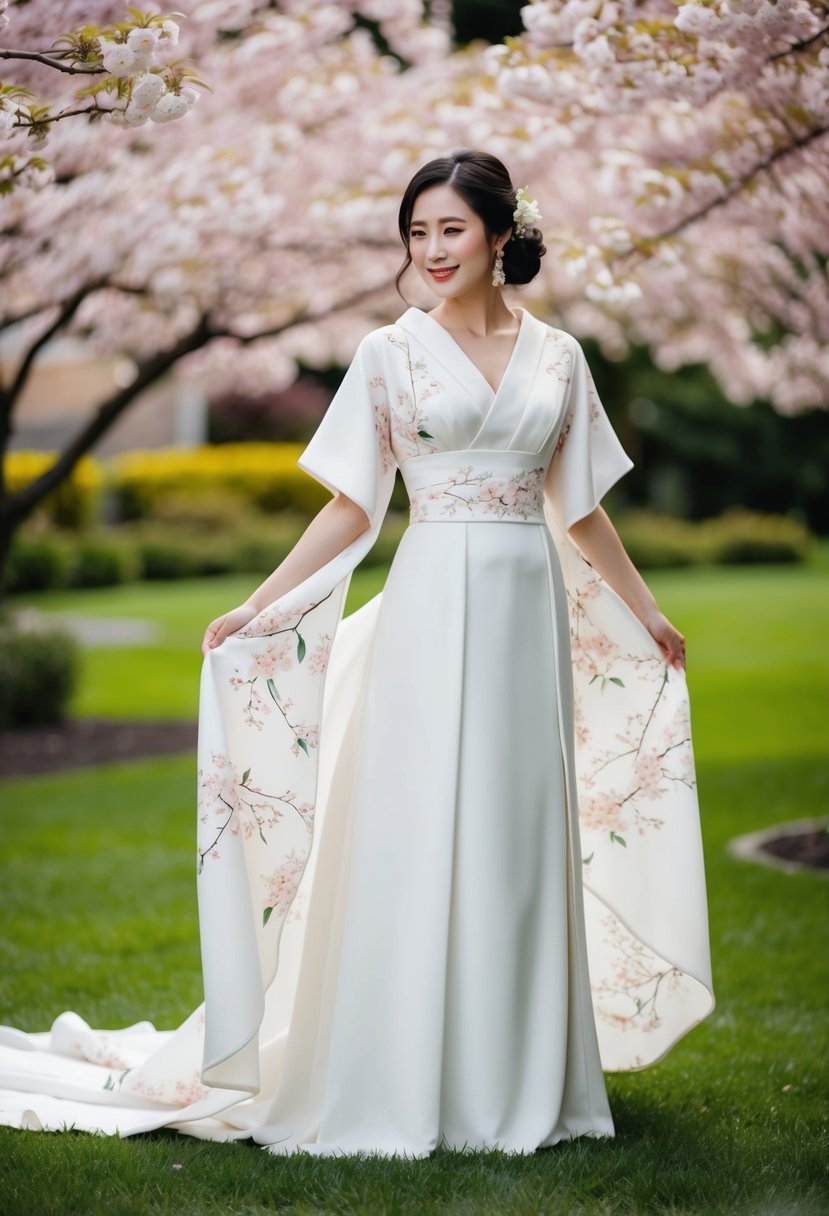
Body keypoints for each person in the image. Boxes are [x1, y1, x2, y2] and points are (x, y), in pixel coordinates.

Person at [0, 149, 714, 1156]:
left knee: (515, 835)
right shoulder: (389, 352)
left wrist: (647, 615)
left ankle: (518, 1078)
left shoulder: (559, 357)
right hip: (428, 605)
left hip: (523, 612)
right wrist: (260, 604)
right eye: (415, 232)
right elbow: (350, 507)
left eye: (450, 230)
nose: (430, 250)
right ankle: (397, 1071)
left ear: (499, 234)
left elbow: (580, 509)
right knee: (420, 826)